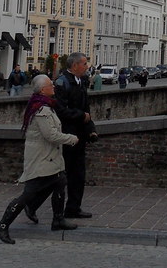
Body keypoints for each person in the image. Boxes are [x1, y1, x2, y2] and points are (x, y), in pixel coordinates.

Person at [0, 74, 80, 244]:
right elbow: (51, 135)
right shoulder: (42, 109)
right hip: (41, 159)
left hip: (48, 158)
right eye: (50, 85)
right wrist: (71, 138)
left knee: (60, 181)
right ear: (42, 90)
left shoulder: (44, 105)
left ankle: (58, 219)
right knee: (28, 194)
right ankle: (2, 225)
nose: (53, 86)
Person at [53, 52, 96, 219]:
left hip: (79, 136)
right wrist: (81, 116)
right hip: (66, 135)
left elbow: (87, 110)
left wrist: (91, 128)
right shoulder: (62, 83)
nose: (87, 67)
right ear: (75, 66)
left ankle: (73, 207)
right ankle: (32, 204)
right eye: (84, 64)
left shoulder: (81, 82)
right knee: (60, 175)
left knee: (78, 174)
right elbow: (61, 110)